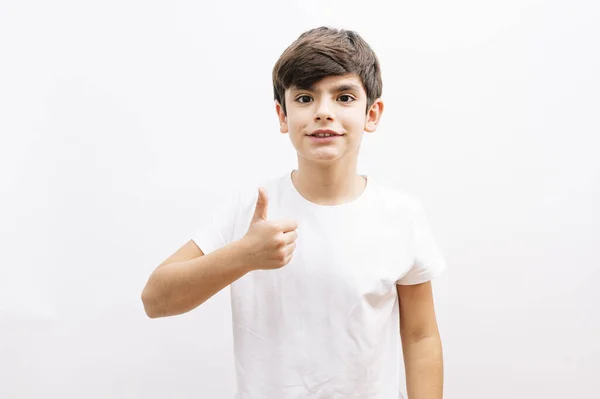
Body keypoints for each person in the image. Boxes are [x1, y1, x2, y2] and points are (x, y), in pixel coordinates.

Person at [141, 26, 447, 399]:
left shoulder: (400, 214)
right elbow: (155, 299)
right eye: (304, 98)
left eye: (344, 97)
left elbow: (420, 335)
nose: (323, 113)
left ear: (372, 113)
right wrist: (243, 255)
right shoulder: (250, 208)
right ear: (283, 115)